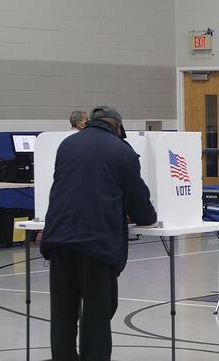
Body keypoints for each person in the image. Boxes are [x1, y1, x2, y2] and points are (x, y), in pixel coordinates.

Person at [40, 105, 156, 361]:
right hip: (96, 242)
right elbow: (138, 201)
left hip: (58, 237)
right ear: (117, 126)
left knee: (62, 314)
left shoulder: (67, 145)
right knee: (96, 316)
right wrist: (148, 217)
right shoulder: (121, 150)